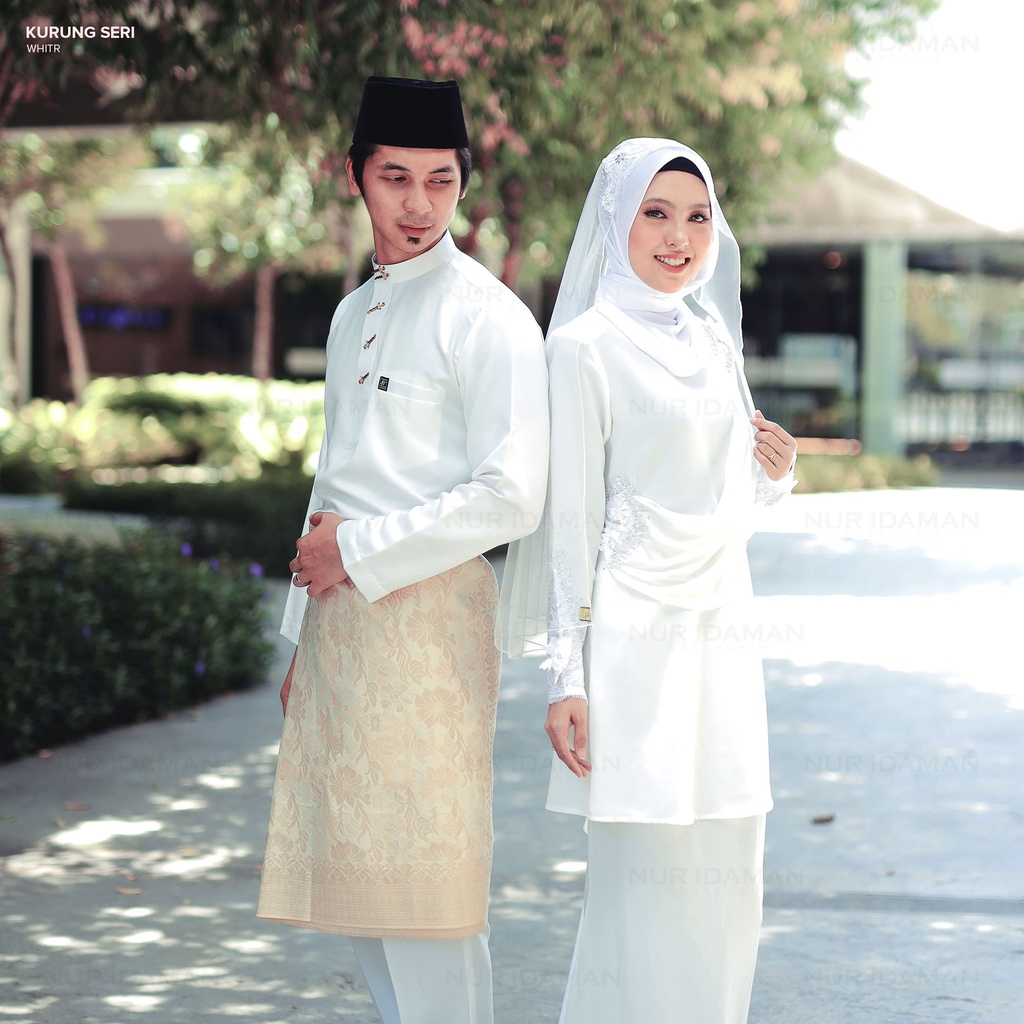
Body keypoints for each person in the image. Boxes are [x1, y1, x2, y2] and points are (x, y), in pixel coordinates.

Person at [256, 76, 549, 1024]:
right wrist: (301, 639)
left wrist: (359, 552)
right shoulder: (352, 314)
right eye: (395, 178)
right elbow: (332, 481)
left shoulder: (489, 316)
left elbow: (513, 495)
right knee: (364, 890)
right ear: (355, 176)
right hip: (342, 630)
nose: (419, 204)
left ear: (463, 182)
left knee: (430, 892)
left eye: (440, 180)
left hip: (430, 631)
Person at [498, 138, 797, 1023]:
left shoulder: (713, 340)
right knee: (642, 881)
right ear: (616, 221)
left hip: (723, 633)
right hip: (634, 646)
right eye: (656, 214)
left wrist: (775, 473)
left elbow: (724, 499)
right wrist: (567, 675)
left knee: (732, 864)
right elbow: (571, 521)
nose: (679, 237)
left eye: (698, 217)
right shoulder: (583, 348)